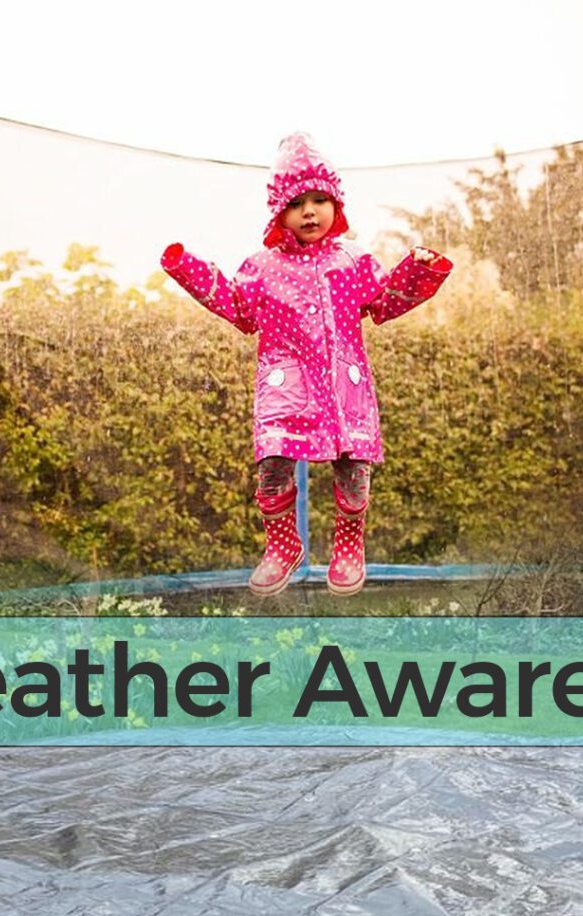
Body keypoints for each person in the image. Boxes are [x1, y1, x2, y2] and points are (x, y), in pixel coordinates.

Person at [160, 132, 452, 597]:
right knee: (273, 462)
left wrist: (419, 270)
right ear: (281, 212)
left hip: (343, 384)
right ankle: (282, 544)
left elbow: (385, 303)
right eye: (298, 203)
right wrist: (186, 267)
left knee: (353, 467)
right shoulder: (262, 267)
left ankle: (348, 544)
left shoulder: (354, 261)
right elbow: (237, 307)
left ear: (337, 205)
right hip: (286, 386)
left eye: (321, 200)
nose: (311, 211)